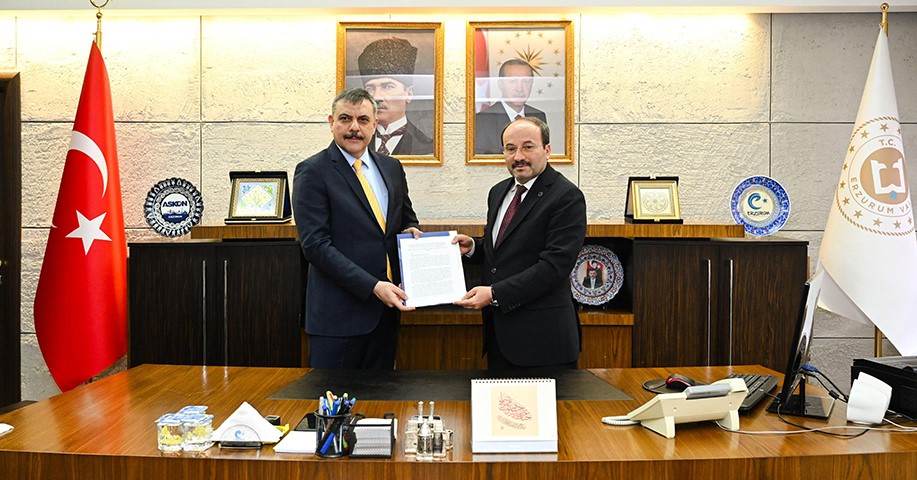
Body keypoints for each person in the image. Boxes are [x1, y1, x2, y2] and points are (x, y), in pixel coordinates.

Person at [293, 88, 422, 369]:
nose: (354, 127)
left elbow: (406, 220)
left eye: (363, 120)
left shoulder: (392, 168)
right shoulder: (312, 171)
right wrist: (373, 286)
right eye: (345, 119)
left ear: (374, 124)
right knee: (334, 397)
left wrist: (412, 231)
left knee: (381, 395)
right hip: (337, 319)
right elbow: (315, 246)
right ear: (331, 123)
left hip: (386, 315)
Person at [453, 117, 586, 370]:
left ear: (547, 150)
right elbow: (505, 251)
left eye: (528, 147)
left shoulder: (566, 196)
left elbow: (554, 267)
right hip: (499, 337)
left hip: (543, 342)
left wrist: (494, 294)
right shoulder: (498, 192)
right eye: (510, 148)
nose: (518, 157)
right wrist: (473, 247)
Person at [358, 37, 434, 156]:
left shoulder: (427, 148)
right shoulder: (354, 143)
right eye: (370, 89)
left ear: (408, 94)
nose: (376, 97)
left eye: (387, 86)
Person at [474, 59, 548, 155]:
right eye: (512, 81)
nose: (519, 88)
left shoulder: (539, 116)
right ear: (500, 84)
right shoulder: (482, 120)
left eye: (526, 81)